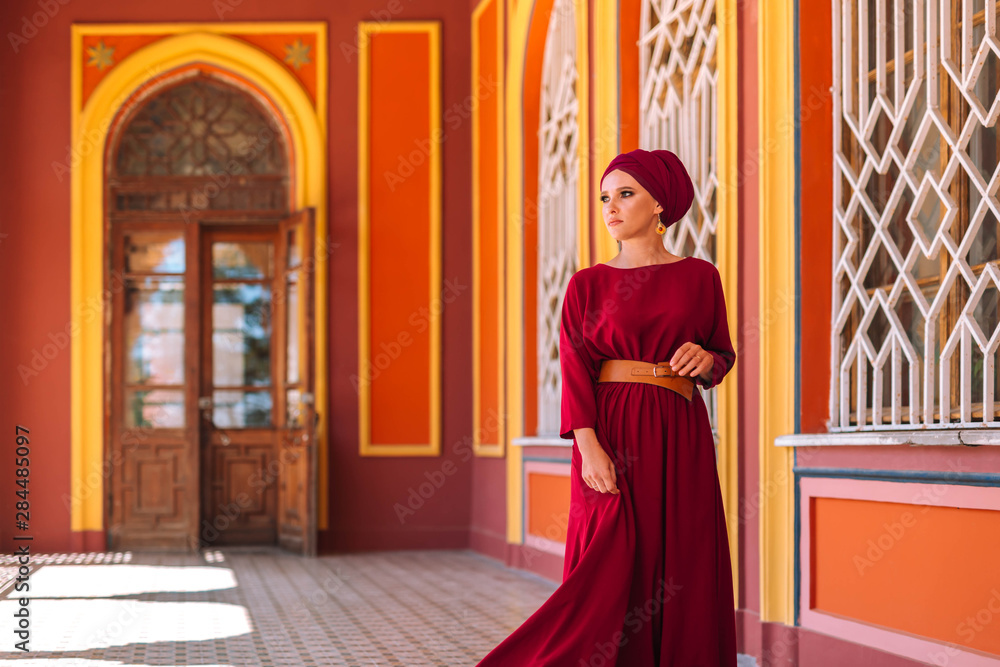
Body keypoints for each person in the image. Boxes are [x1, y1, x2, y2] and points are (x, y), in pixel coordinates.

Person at [475, 148, 738, 666]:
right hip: (610, 433)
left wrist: (705, 358)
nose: (611, 207)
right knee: (607, 561)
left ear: (660, 204)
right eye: (604, 197)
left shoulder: (702, 277)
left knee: (682, 558)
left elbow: (722, 356)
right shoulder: (586, 284)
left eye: (625, 194)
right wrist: (588, 447)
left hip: (680, 432)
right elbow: (574, 370)